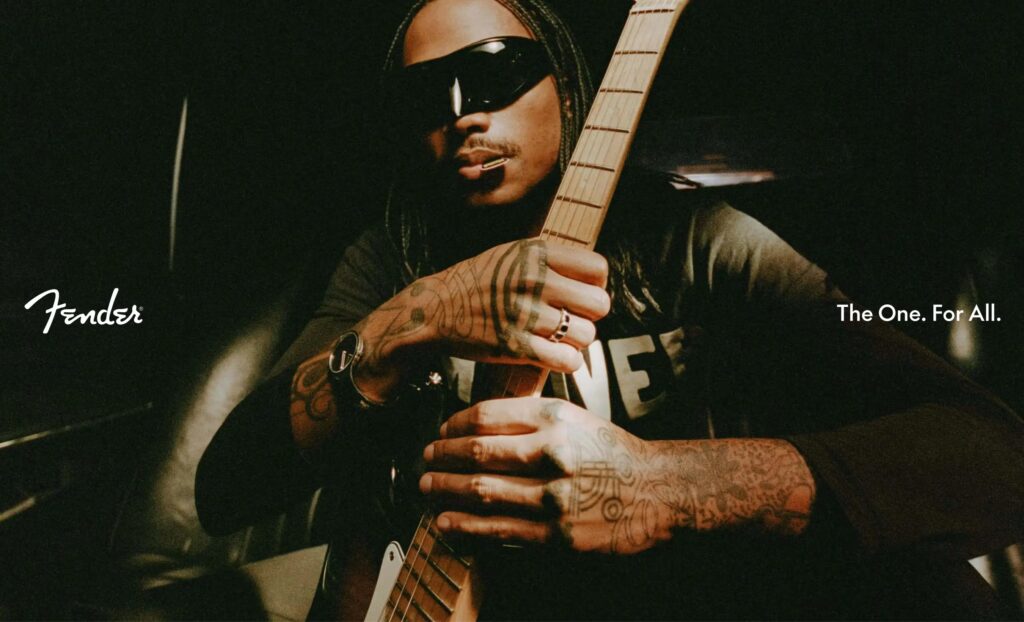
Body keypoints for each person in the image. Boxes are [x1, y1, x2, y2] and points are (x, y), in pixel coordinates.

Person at [196, 0, 1024, 618]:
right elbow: (225, 488)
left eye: (493, 73)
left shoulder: (695, 243)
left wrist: (666, 485)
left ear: (567, 85)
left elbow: (992, 456)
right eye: (426, 98)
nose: (462, 114)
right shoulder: (391, 261)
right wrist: (418, 313)